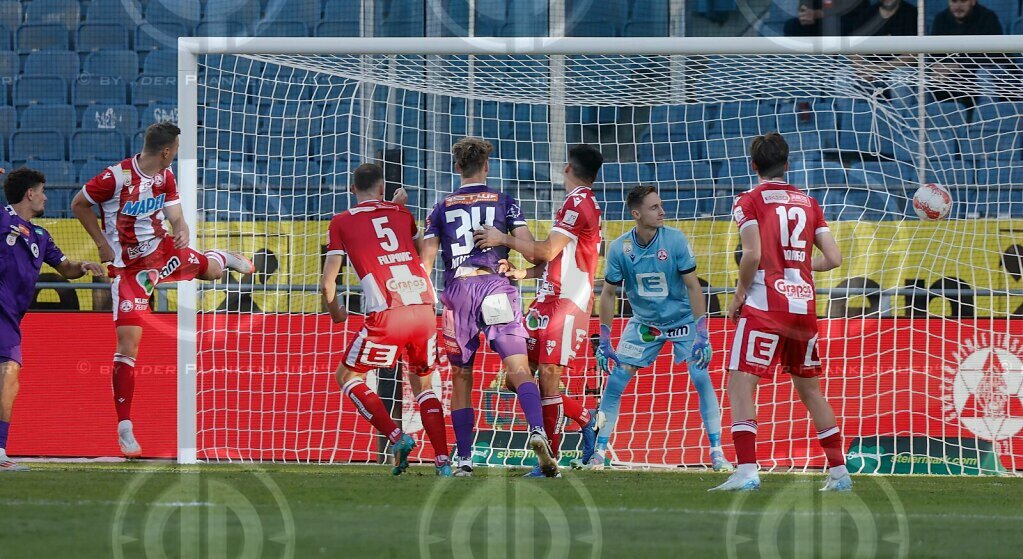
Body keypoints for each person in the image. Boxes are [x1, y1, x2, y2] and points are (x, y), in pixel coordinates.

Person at [70, 122, 255, 458]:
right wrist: (100, 243)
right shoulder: (116, 177)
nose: (176, 154)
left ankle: (222, 256)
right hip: (130, 272)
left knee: (212, 272)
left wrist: (181, 228)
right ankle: (125, 429)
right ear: (167, 150)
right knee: (128, 345)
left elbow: (176, 214)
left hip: (163, 252)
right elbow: (77, 204)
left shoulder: (166, 178)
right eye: (176, 149)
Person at [711, 132, 850, 492]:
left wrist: (740, 294)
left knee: (741, 384)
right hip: (803, 308)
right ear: (787, 164)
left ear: (753, 165)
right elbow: (834, 259)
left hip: (765, 305)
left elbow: (753, 254)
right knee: (811, 392)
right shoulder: (809, 202)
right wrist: (801, 266)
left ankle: (746, 471)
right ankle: (839, 474)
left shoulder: (749, 200)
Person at [420, 138, 555, 477]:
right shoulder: (504, 201)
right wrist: (508, 247)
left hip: (459, 291)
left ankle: (464, 459)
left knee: (462, 375)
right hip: (496, 284)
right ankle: (537, 430)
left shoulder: (441, 206)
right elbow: (532, 252)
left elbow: (426, 261)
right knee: (519, 367)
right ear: (487, 166)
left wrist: (427, 298)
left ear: (456, 168)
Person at [474, 144, 604, 477]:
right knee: (515, 379)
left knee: (547, 378)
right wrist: (524, 273)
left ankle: (549, 462)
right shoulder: (575, 204)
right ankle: (586, 418)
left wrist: (503, 237)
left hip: (567, 302)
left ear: (567, 168)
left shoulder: (579, 202)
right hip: (546, 299)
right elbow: (557, 258)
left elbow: (546, 250)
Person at [322, 163, 452, 476]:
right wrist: (399, 207)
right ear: (382, 189)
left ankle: (396, 437)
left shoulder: (341, 221)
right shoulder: (402, 214)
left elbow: (328, 283)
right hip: (423, 307)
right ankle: (443, 461)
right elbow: (422, 258)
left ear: (352, 190)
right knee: (422, 382)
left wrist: (338, 314)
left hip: (387, 312)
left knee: (348, 376)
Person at [590, 185, 731, 471]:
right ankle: (599, 453)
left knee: (700, 376)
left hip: (682, 321)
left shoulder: (675, 240)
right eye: (654, 207)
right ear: (636, 214)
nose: (662, 211)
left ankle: (717, 452)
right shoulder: (619, 248)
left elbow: (693, 287)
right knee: (616, 380)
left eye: (661, 205)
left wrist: (702, 332)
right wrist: (605, 341)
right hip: (645, 324)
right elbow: (607, 294)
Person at [1, 167, 103, 471]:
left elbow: (65, 269)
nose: (46, 197)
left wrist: (83, 265)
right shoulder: (2, 217)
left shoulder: (42, 236)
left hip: (11, 317)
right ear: (29, 193)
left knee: (9, 376)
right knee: (9, 372)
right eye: (42, 191)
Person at [931, 0, 1002, 35]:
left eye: (963, 1)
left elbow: (993, 54)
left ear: (973, 1)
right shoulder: (941, 19)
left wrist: (960, 64)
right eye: (954, 1)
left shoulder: (988, 17)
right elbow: (933, 54)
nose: (958, 6)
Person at [851, 0, 918, 36]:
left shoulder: (912, 14)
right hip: (869, 61)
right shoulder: (865, 16)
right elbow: (854, 50)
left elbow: (913, 54)